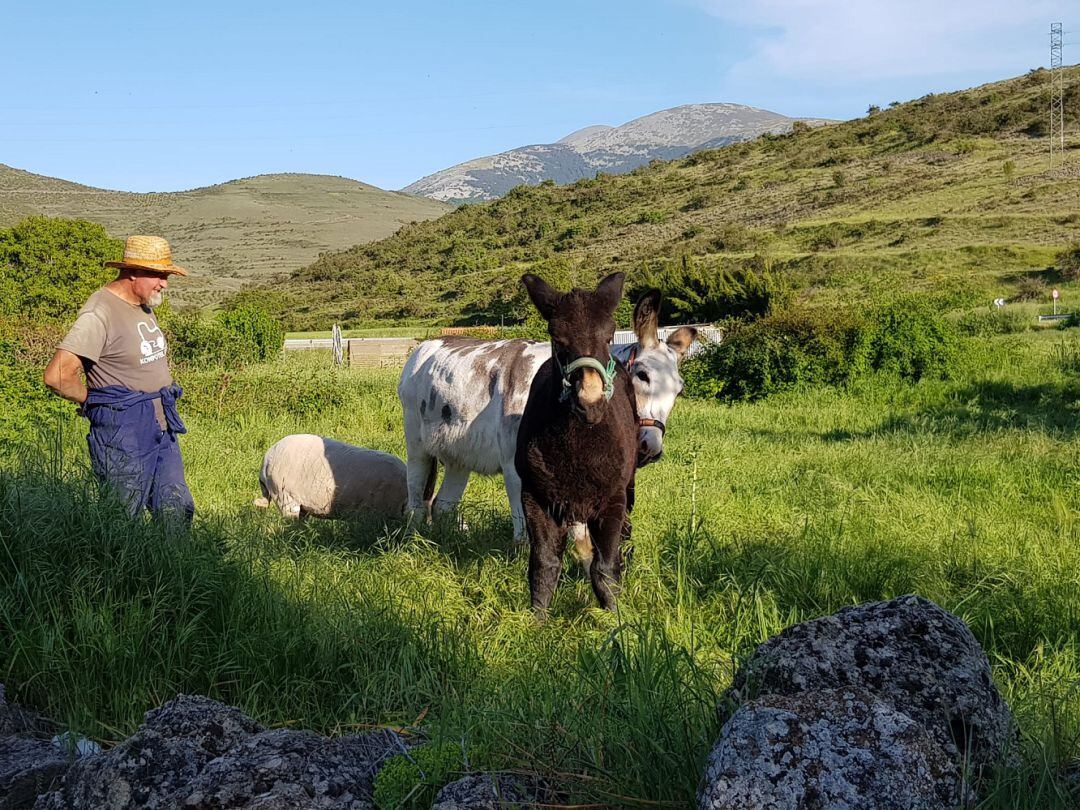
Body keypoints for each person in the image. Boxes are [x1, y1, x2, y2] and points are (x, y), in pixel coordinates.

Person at [44, 235, 195, 524]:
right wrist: (94, 401)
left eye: (166, 275)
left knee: (176, 507)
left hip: (161, 423)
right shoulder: (99, 312)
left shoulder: (143, 304)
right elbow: (57, 375)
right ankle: (120, 569)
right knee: (123, 517)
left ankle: (173, 567)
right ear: (132, 272)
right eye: (159, 275)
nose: (164, 283)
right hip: (123, 429)